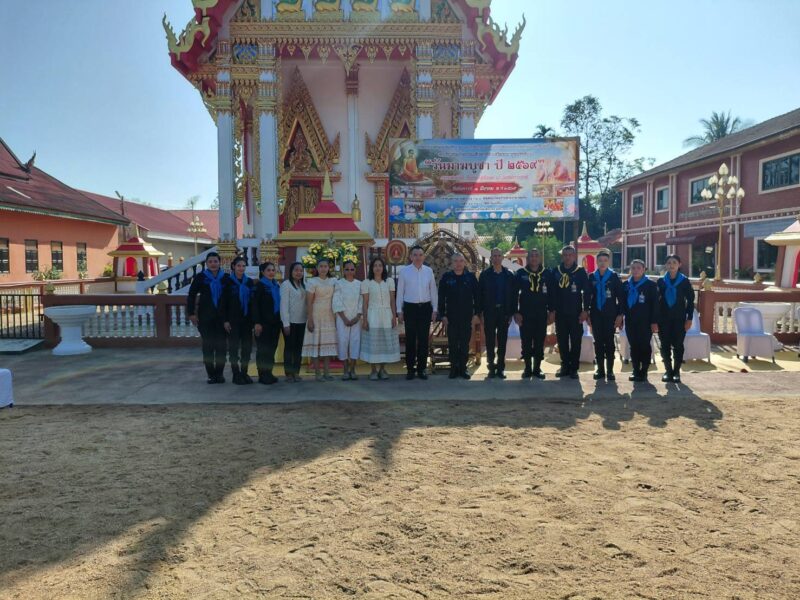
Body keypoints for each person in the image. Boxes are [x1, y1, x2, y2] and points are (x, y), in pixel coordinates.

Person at [187, 251, 230, 384]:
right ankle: (211, 375)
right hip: (205, 318)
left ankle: (220, 374)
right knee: (208, 348)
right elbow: (191, 295)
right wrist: (191, 313)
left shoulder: (226, 278)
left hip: (222, 318)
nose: (213, 264)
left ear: (220, 263)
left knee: (221, 348)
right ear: (206, 263)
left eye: (215, 261)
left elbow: (231, 299)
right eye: (210, 262)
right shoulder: (200, 277)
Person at [396, 245, 437, 380]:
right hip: (410, 308)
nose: (418, 257)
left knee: (423, 340)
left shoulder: (428, 271)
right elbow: (400, 292)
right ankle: (410, 369)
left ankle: (422, 369)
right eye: (415, 255)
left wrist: (434, 309)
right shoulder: (404, 271)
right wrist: (399, 311)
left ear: (424, 257)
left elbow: (433, 291)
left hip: (425, 308)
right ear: (411, 257)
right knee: (410, 340)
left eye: (420, 255)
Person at [550, 245, 591, 379]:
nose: (567, 257)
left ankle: (574, 368)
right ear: (562, 256)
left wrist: (586, 310)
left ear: (574, 256)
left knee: (575, 341)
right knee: (562, 341)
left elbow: (587, 292)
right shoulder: (556, 271)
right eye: (565, 255)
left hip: (575, 312)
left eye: (570, 255)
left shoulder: (580, 271)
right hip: (560, 313)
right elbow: (552, 293)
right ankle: (565, 366)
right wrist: (552, 310)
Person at [514, 248, 554, 380]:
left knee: (539, 342)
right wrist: (516, 312)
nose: (534, 258)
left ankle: (537, 368)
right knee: (526, 342)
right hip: (525, 314)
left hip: (541, 314)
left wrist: (552, 311)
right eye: (532, 256)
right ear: (528, 258)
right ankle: (527, 368)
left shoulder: (547, 273)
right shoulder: (520, 273)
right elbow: (514, 294)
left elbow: (552, 294)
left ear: (540, 258)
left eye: (536, 255)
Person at [438, 253, 480, 379]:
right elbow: (441, 298)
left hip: (467, 317)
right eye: (455, 261)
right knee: (453, 344)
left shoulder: (470, 277)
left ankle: (463, 368)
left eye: (461, 261)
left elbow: (477, 297)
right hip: (451, 317)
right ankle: (453, 368)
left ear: (464, 263)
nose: (458, 263)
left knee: (464, 344)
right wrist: (442, 315)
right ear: (451, 263)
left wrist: (477, 314)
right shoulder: (446, 277)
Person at [478, 248, 516, 379]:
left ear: (503, 258)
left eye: (499, 255)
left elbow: (513, 295)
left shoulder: (509, 275)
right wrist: (480, 313)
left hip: (504, 312)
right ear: (491, 258)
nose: (497, 258)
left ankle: (500, 368)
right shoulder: (485, 275)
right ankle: (491, 367)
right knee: (489, 340)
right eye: (494, 256)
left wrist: (511, 313)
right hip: (489, 311)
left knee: (502, 340)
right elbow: (479, 295)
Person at [588, 250, 625, 381]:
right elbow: (587, 296)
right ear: (596, 262)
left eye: (605, 261)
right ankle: (600, 370)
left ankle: (610, 371)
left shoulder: (614, 276)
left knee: (609, 342)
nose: (602, 263)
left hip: (610, 314)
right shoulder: (592, 277)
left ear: (608, 262)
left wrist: (620, 314)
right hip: (596, 314)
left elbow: (621, 297)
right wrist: (587, 312)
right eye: (600, 261)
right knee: (598, 342)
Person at [657, 255, 695, 383]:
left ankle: (676, 372)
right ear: (666, 265)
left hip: (679, 318)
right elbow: (656, 301)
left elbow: (690, 301)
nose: (671, 265)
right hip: (663, 319)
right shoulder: (661, 281)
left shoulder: (684, 281)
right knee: (665, 345)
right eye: (669, 263)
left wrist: (689, 318)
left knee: (678, 345)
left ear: (679, 264)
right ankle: (668, 371)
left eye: (674, 262)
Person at [361, 256, 400, 379]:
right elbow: (365, 303)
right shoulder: (366, 282)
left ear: (383, 268)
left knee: (385, 342)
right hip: (372, 314)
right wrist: (365, 319)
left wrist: (394, 317)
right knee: (373, 343)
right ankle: (373, 370)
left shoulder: (389, 281)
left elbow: (392, 301)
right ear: (371, 268)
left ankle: (382, 369)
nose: (378, 268)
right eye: (375, 266)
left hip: (387, 314)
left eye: (380, 265)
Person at [623, 259, 659, 383]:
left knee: (644, 345)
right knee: (633, 346)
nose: (636, 270)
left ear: (644, 270)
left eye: (638, 268)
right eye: (633, 268)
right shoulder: (626, 284)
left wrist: (654, 321)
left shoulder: (650, 284)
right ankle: (635, 370)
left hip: (645, 321)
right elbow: (622, 303)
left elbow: (655, 304)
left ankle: (644, 370)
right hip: (630, 320)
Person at [302, 258, 338, 381]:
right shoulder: (312, 282)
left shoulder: (334, 281)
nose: (323, 268)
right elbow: (309, 302)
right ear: (317, 268)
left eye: (325, 266)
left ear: (329, 268)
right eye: (321, 266)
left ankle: (327, 372)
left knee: (327, 346)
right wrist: (310, 319)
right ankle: (317, 373)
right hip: (316, 314)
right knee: (316, 345)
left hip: (329, 315)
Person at [223, 255, 256, 385]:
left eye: (243, 266)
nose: (241, 268)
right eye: (238, 266)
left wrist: (254, 320)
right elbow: (223, 303)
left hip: (246, 321)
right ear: (233, 267)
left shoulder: (249, 282)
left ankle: (244, 373)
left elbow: (253, 302)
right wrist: (225, 320)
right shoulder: (227, 282)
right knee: (233, 348)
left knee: (247, 348)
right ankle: (236, 374)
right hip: (233, 321)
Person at [251, 261, 281, 385]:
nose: (271, 272)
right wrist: (257, 323)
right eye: (268, 270)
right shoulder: (259, 286)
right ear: (262, 272)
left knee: (272, 349)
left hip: (275, 323)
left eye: (273, 270)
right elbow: (254, 305)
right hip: (263, 324)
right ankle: (262, 375)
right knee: (263, 350)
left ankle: (269, 373)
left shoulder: (276, 285)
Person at [333, 260, 363, 380]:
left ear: (355, 271)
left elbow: (362, 301)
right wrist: (344, 318)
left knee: (355, 342)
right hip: (342, 319)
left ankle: (353, 369)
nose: (349, 271)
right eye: (347, 269)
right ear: (343, 271)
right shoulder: (339, 283)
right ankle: (345, 370)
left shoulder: (359, 284)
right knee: (343, 342)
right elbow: (336, 301)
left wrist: (358, 317)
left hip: (356, 319)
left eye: (352, 269)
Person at [280, 262, 307, 383]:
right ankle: (288, 374)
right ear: (291, 271)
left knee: (298, 348)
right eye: (296, 270)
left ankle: (296, 372)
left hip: (302, 321)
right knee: (289, 348)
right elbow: (283, 305)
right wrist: (286, 323)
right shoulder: (286, 285)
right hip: (290, 322)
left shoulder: (303, 285)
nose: (299, 272)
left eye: (301, 270)